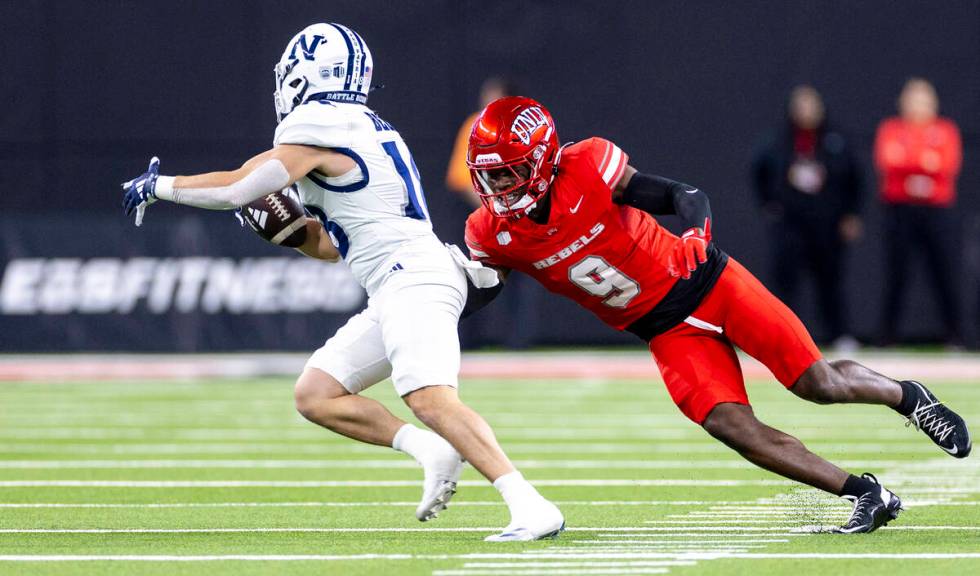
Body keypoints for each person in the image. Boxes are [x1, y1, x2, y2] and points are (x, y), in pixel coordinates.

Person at [120, 23, 563, 542]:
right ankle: (430, 449)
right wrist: (289, 232)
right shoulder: (359, 124)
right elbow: (330, 247)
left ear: (305, 73)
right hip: (400, 278)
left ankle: (530, 505)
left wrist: (161, 187)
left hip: (412, 278)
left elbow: (240, 186)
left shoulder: (320, 121)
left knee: (429, 397)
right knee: (317, 394)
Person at [461, 96, 972, 534]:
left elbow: (684, 195)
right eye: (490, 175)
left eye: (509, 171)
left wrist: (694, 235)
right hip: (661, 329)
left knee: (817, 384)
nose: (500, 185)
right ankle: (865, 494)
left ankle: (909, 398)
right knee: (731, 424)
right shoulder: (490, 231)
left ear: (545, 158)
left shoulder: (586, 165)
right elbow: (483, 290)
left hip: (709, 283)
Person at [751, 85, 864, 349]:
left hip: (826, 222)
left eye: (811, 106)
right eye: (801, 106)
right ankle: (781, 334)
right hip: (791, 222)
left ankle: (840, 334)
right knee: (785, 281)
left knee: (830, 280)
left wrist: (851, 215)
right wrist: (769, 203)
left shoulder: (836, 139)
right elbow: (758, 172)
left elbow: (856, 179)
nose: (806, 112)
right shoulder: (778, 140)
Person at [874, 78, 964, 347]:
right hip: (900, 210)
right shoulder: (891, 128)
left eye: (923, 100)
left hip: (936, 211)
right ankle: (886, 337)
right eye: (912, 99)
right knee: (896, 273)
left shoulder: (945, 130)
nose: (917, 106)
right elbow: (889, 161)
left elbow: (946, 165)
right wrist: (925, 160)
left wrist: (912, 161)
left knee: (944, 273)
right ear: (902, 102)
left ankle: (956, 335)